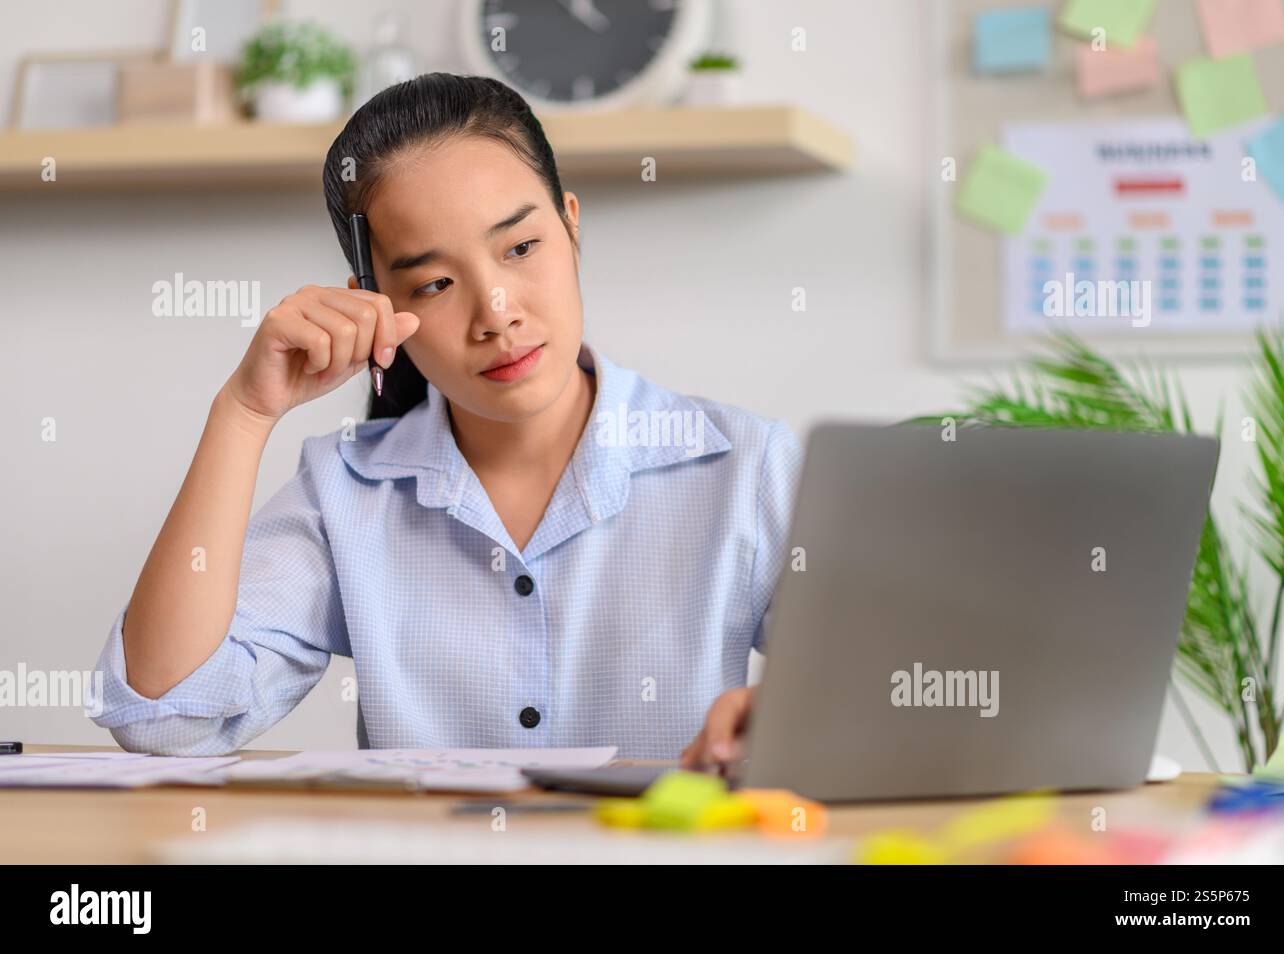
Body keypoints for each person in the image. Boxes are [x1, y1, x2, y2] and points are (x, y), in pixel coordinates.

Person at [89, 73, 801, 765]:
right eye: (434, 284)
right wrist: (243, 413)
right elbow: (167, 719)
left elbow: (887, 695)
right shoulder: (346, 491)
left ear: (571, 228)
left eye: (521, 248)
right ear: (375, 306)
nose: (497, 313)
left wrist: (777, 718)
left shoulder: (745, 466)